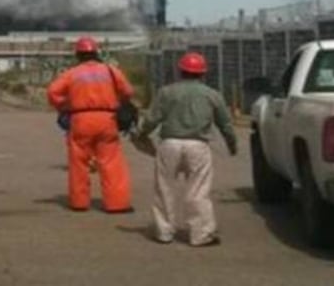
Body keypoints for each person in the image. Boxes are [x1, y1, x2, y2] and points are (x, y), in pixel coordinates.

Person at [136, 51, 237, 247]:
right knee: (198, 191)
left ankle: (164, 232)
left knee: (164, 188)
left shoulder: (166, 92)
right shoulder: (212, 94)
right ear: (202, 73)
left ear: (180, 71)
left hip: (169, 145)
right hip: (198, 146)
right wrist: (232, 144)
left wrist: (141, 135)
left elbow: (152, 119)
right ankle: (200, 235)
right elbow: (225, 124)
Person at [46, 36, 134, 213]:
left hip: (80, 119)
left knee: (78, 163)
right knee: (111, 163)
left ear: (78, 54)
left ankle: (79, 203)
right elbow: (128, 91)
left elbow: (52, 92)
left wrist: (65, 105)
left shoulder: (72, 73)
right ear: (96, 52)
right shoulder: (111, 71)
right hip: (107, 119)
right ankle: (117, 204)